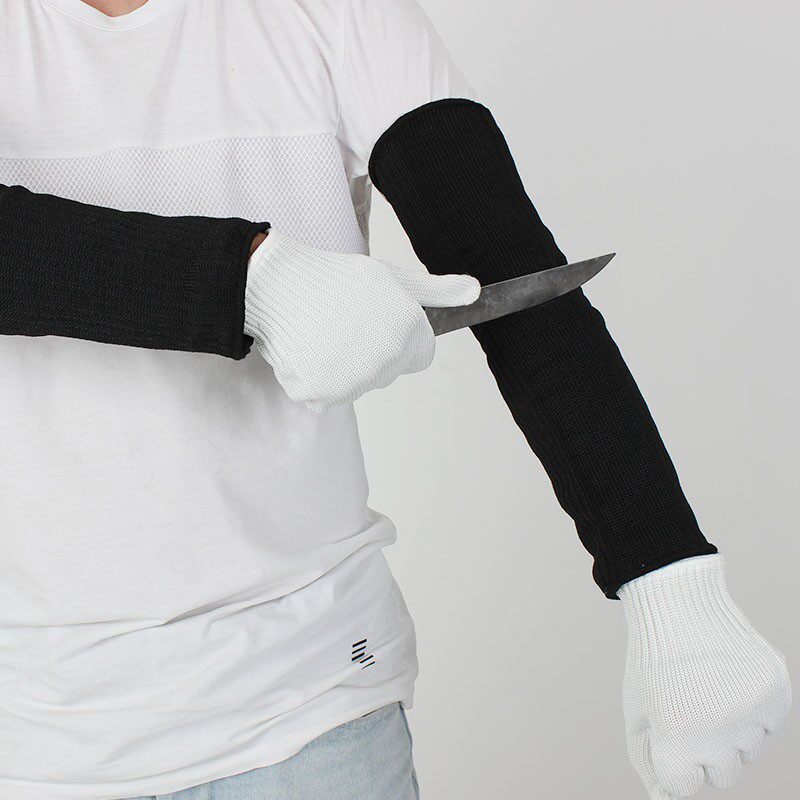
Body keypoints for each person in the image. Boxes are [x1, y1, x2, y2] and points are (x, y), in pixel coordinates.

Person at [0, 1, 790, 799]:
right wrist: (247, 280)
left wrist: (670, 579)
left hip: (311, 704)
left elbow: (516, 283)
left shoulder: (339, 14)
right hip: (30, 729)